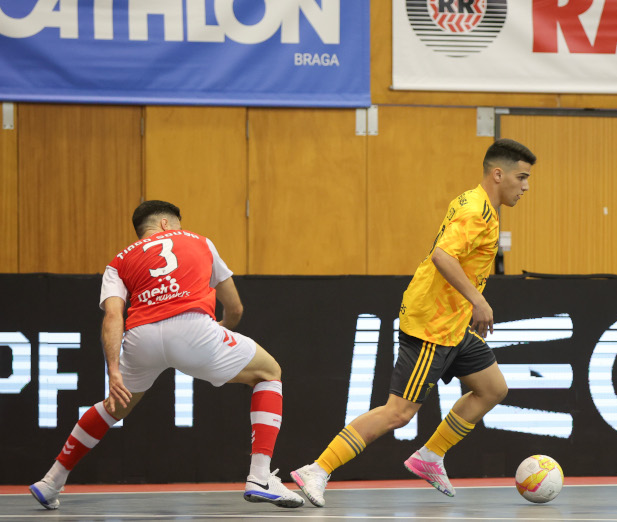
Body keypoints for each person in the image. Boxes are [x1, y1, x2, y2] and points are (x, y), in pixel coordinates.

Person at [290, 139, 536, 507]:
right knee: (398, 414)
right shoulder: (476, 212)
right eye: (522, 177)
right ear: (498, 174)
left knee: (492, 388)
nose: (526, 186)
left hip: (454, 325)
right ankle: (318, 469)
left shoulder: (480, 204)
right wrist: (479, 299)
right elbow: (442, 256)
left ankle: (430, 456)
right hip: (432, 325)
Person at [29, 201, 304, 510]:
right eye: (178, 225)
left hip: (140, 338)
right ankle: (260, 476)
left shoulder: (118, 262)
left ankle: (51, 481)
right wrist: (221, 329)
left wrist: (114, 369)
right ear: (164, 224)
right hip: (193, 328)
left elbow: (112, 317)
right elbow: (235, 308)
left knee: (113, 406)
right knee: (268, 372)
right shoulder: (200, 242)